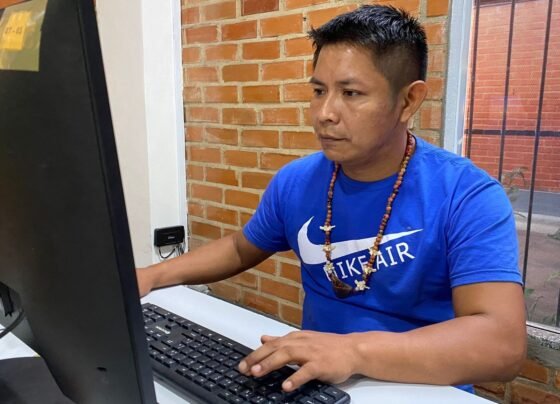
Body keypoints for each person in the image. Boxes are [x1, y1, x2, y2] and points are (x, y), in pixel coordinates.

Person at [137, 5, 526, 394]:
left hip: (420, 389)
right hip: (317, 386)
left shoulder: (467, 196)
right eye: (319, 91)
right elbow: (241, 248)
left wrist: (353, 352)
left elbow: (502, 346)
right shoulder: (297, 181)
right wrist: (150, 276)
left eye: (351, 93)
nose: (324, 113)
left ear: (409, 101)